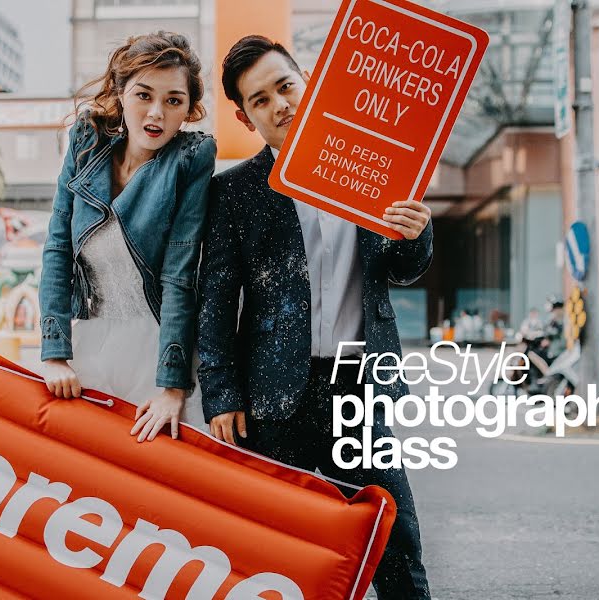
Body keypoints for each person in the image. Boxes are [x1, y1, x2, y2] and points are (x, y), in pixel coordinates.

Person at [197, 35, 432, 599]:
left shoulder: (374, 168)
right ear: (245, 117)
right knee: (275, 550)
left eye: (286, 86)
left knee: (395, 542)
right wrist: (221, 393)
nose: (280, 104)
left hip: (359, 384)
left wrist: (417, 233)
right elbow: (216, 298)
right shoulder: (233, 192)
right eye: (261, 100)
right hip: (273, 395)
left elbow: (401, 269)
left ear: (309, 85)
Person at [39, 31, 216, 442]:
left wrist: (173, 388)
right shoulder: (85, 143)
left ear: (188, 110)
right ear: (120, 93)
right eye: (143, 95)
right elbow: (58, 249)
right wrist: (54, 352)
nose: (156, 113)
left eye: (174, 100)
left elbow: (180, 273)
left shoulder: (191, 158)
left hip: (156, 349)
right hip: (86, 344)